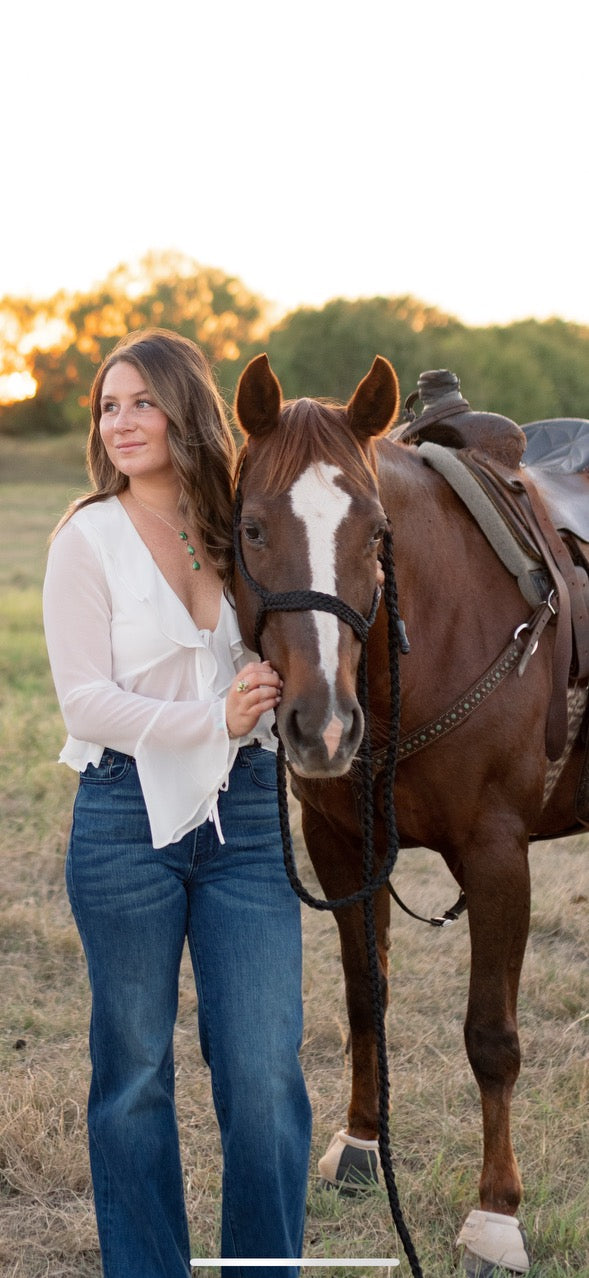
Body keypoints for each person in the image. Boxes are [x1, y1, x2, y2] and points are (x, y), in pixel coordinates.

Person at [43, 328, 312, 1278]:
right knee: (134, 1078)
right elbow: (84, 701)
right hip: (124, 821)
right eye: (107, 407)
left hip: (245, 820)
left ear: (185, 410)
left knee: (263, 1074)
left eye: (141, 403)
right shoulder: (87, 537)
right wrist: (212, 717)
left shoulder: (242, 527)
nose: (120, 423)